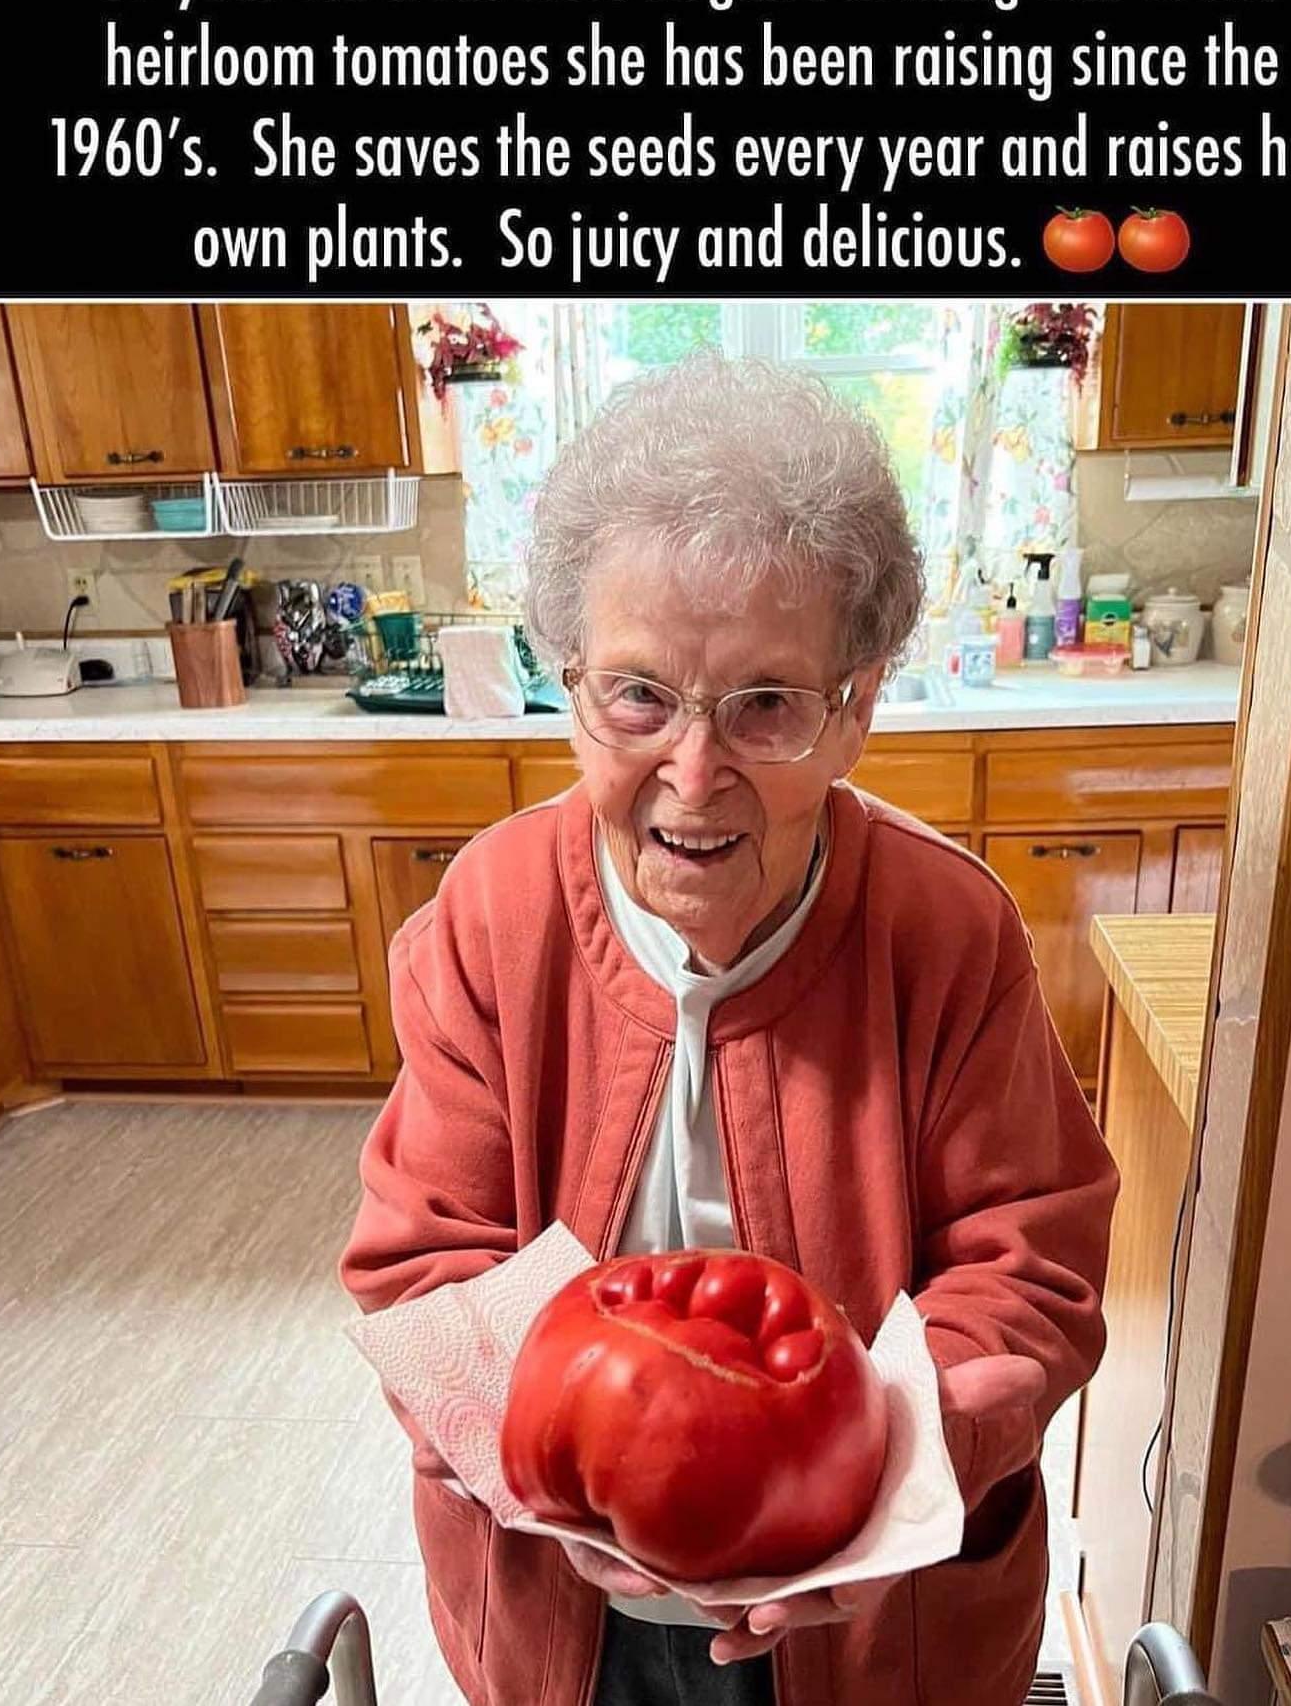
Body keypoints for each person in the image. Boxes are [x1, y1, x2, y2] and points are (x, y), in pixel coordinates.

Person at [340, 350, 1119, 1706]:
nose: (692, 775)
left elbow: (1029, 1276)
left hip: (868, 1604)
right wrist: (564, 1475)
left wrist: (883, 1479)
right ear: (569, 684)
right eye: (637, 695)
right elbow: (423, 1268)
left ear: (854, 711)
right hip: (562, 1580)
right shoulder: (492, 917)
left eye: (765, 704)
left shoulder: (947, 934)